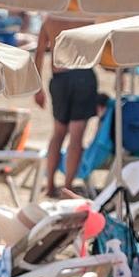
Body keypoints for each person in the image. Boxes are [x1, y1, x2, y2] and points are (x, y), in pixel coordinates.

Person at [34, 15, 99, 196]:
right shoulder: (88, 17)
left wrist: (37, 88)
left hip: (60, 78)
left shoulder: (50, 20)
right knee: (76, 136)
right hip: (84, 75)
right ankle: (68, 186)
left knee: (58, 133)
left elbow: (39, 52)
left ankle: (50, 185)